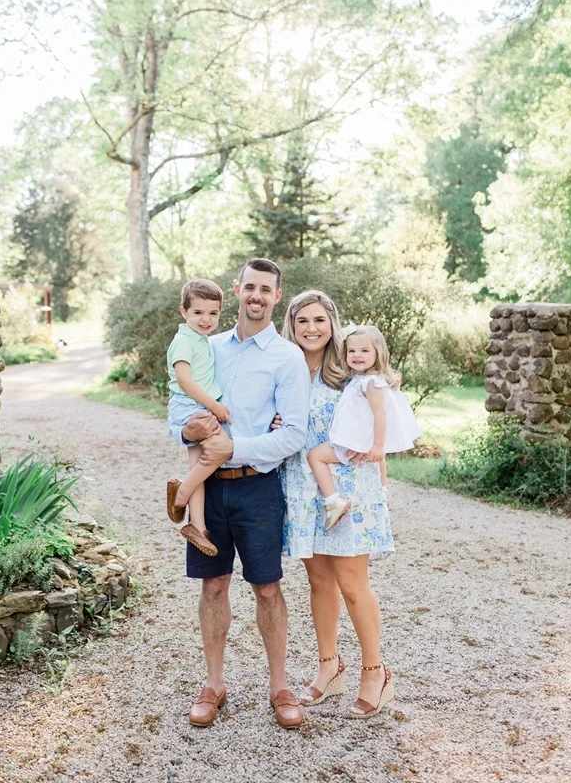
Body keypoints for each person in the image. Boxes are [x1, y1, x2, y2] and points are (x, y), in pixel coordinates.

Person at [169, 258, 311, 730]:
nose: (256, 295)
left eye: (265, 289)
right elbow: (178, 413)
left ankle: (279, 686)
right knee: (213, 585)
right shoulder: (206, 346)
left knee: (268, 588)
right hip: (210, 490)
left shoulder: (287, 357)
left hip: (259, 488)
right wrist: (186, 429)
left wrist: (237, 446)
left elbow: (294, 433)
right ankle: (213, 684)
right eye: (250, 286)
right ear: (237, 290)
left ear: (276, 296)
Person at [281, 290, 395, 719]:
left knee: (352, 583)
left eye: (319, 320)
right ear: (291, 326)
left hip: (349, 487)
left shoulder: (350, 370)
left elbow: (380, 411)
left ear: (332, 323)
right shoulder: (286, 371)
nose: (311, 329)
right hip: (302, 486)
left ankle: (374, 671)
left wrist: (381, 482)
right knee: (319, 582)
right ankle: (329, 666)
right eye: (302, 321)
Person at [308, 324, 421, 530]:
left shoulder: (371, 382)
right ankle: (382, 491)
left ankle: (333, 500)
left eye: (364, 350)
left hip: (355, 440)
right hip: (359, 438)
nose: (357, 355)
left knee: (314, 456)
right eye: (351, 350)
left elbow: (380, 413)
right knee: (380, 461)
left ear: (378, 353)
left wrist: (377, 445)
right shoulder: (359, 379)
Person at [166, 279, 232, 557]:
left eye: (213, 313)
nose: (206, 319)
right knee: (221, 450)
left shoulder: (201, 340)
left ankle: (198, 527)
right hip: (191, 404)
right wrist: (213, 407)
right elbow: (183, 380)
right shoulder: (183, 341)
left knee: (198, 467)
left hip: (195, 403)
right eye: (198, 313)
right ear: (184, 312)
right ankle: (180, 495)